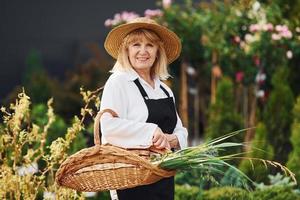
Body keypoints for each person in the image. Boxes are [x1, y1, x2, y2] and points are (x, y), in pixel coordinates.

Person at [99, 17, 188, 200]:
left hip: (162, 178)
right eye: (136, 45)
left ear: (158, 51)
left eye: (149, 45)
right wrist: (151, 131)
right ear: (126, 50)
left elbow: (180, 129)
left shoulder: (164, 89)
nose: (143, 51)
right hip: (130, 182)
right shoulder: (119, 82)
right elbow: (107, 126)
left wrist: (174, 140)